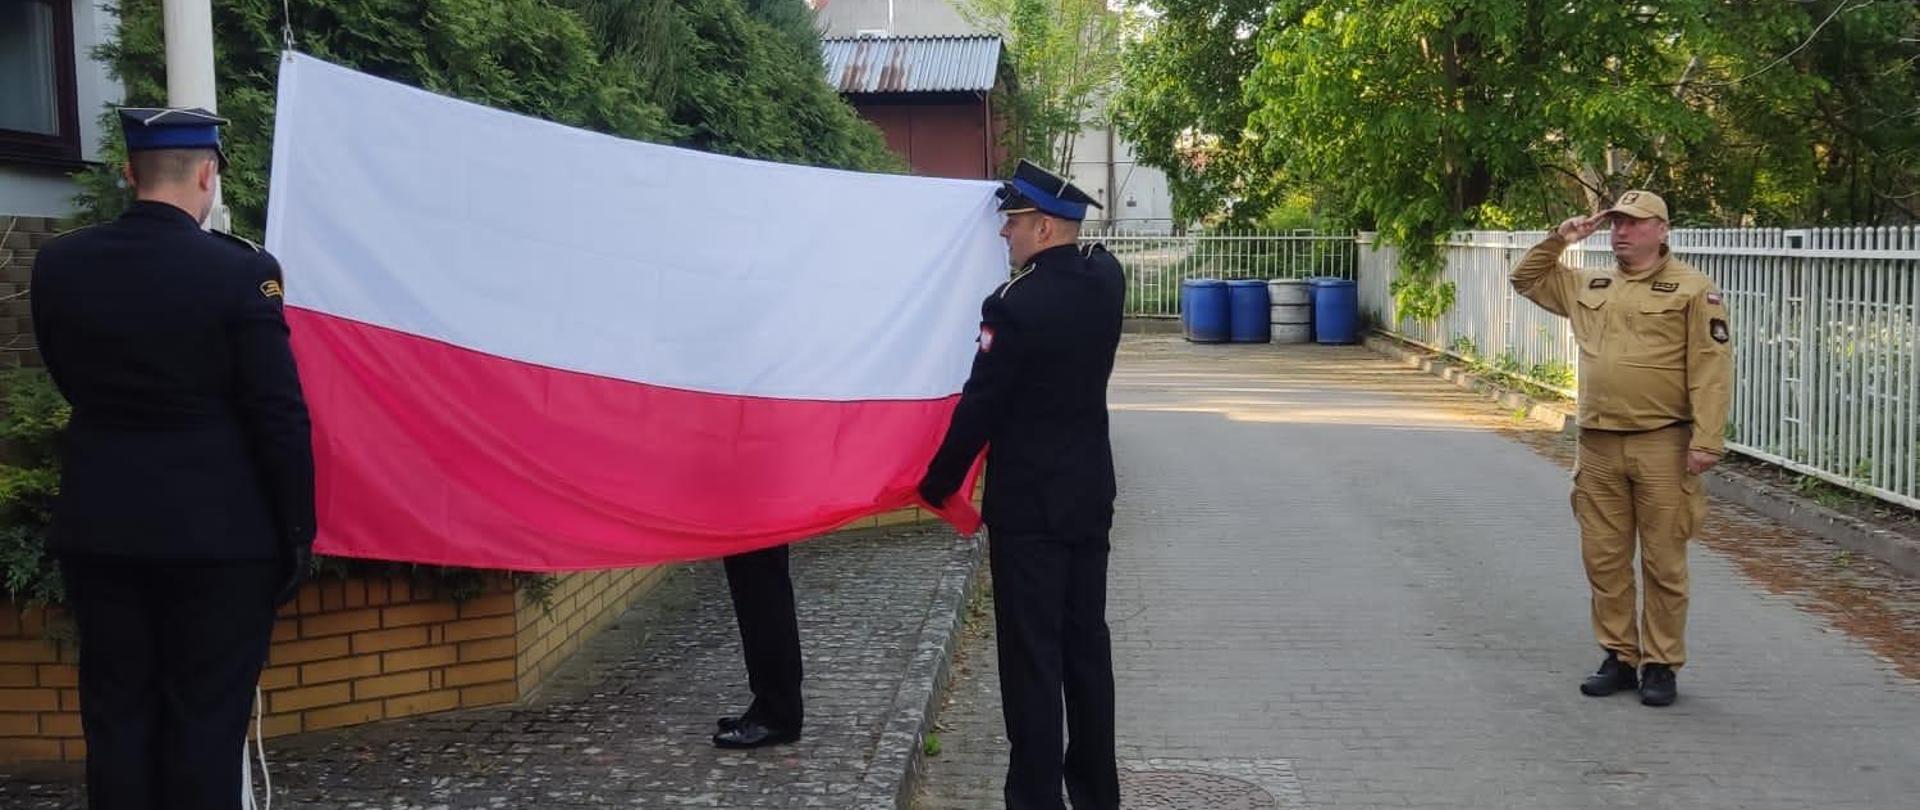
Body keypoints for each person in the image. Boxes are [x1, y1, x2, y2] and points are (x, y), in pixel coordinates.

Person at [30, 107, 315, 809]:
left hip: (101, 527)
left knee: (118, 720)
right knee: (204, 725)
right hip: (218, 539)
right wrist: (296, 534)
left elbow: (69, 377)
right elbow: (277, 414)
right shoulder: (240, 273)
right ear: (208, 175)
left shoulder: (60, 264)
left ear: (129, 173)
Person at [919, 159, 1125, 809]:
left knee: (1033, 660)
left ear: (1041, 227)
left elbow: (980, 407)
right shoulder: (1107, 282)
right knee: (1086, 650)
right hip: (1089, 498)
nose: (1004, 235)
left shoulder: (1013, 308)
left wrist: (936, 483)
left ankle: (1036, 798)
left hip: (1030, 512)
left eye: (1011, 223)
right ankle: (1096, 794)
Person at [1508, 190, 1732, 707]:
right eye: (1615, 224)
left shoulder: (1694, 290)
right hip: (1599, 444)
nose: (1621, 233)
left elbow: (1711, 369)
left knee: (1663, 561)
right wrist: (1558, 240)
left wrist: (1707, 440)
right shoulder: (1592, 283)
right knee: (1604, 559)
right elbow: (1525, 280)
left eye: (1633, 224)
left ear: (1661, 231)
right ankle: (1620, 655)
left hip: (1663, 443)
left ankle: (1661, 663)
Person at [710, 545, 804, 748]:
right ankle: (767, 709)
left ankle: (778, 717)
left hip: (754, 516)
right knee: (752, 590)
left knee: (763, 591)